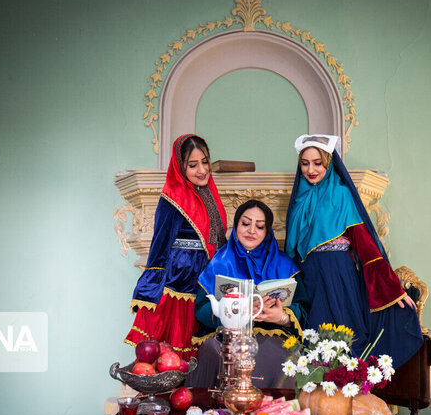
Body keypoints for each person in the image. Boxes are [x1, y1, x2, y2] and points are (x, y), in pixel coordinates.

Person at [285, 134, 423, 368]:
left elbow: (367, 248)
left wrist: (392, 291)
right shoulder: (299, 197)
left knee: (345, 344)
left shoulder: (341, 194)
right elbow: (293, 251)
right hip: (311, 282)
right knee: (314, 345)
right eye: (305, 163)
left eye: (317, 162)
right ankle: (317, 400)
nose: (311, 169)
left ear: (328, 162)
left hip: (339, 277)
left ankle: (348, 399)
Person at [124, 134, 227, 360]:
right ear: (180, 166)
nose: (201, 170)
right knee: (172, 353)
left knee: (202, 354)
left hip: (204, 277)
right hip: (178, 282)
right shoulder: (171, 199)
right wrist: (152, 283)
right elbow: (159, 244)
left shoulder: (210, 194)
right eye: (192, 165)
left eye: (205, 162)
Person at [188, 199, 310, 388]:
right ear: (236, 226)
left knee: (283, 355)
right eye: (245, 224)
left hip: (273, 335)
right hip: (227, 336)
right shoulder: (219, 263)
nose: (252, 231)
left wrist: (282, 317)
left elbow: (302, 307)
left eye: (259, 226)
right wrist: (234, 313)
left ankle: (273, 414)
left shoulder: (285, 265)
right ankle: (217, 412)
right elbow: (202, 307)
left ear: (267, 231)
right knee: (211, 351)